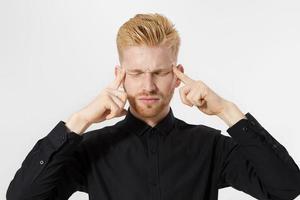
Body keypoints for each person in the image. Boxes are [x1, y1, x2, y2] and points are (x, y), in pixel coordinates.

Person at [6, 13, 300, 200]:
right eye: (136, 73)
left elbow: (286, 187)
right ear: (119, 76)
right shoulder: (90, 151)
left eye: (159, 73)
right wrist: (79, 120)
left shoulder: (211, 147)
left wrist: (227, 110)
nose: (148, 86)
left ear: (177, 75)